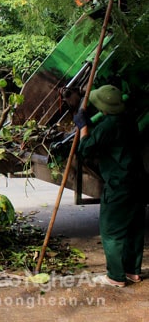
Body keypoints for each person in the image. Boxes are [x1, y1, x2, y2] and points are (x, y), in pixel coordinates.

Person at [74, 84, 145, 287]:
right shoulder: (129, 120)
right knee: (133, 228)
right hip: (137, 182)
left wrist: (83, 127)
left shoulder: (108, 126)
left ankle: (115, 276)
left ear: (103, 107)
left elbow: (85, 150)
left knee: (111, 231)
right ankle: (132, 271)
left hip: (119, 185)